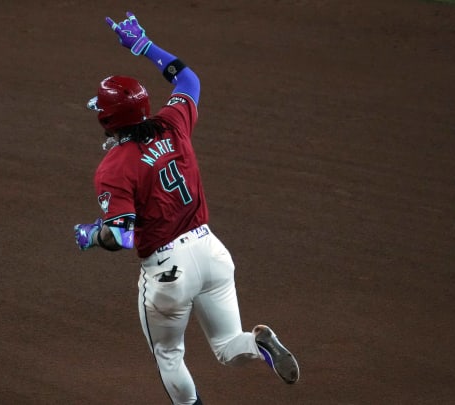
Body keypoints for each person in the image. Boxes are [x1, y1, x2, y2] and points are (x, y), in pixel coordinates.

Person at [73, 12, 300, 405]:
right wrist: (144, 46)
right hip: (212, 252)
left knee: (169, 355)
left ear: (108, 121)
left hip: (167, 272)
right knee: (229, 345)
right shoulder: (172, 122)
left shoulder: (113, 167)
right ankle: (259, 343)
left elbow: (121, 237)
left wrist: (92, 235)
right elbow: (189, 80)